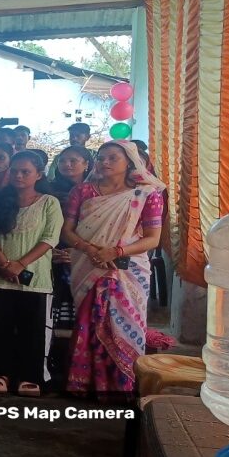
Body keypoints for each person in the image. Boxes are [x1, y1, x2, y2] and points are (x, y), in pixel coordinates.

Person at [61, 141, 165, 397]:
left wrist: (116, 252)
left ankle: (121, 385)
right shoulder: (82, 191)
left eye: (112, 158)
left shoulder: (147, 194)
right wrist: (90, 250)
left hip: (127, 270)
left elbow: (152, 239)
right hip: (88, 265)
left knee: (125, 324)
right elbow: (67, 231)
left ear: (129, 161)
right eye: (100, 157)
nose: (104, 162)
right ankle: (83, 384)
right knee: (87, 320)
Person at [0, 151, 62, 397]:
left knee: (32, 330)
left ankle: (30, 375)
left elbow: (50, 238)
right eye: (14, 171)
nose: (18, 175)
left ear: (39, 174)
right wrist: (4, 263)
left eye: (25, 171)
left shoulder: (49, 202)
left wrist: (20, 264)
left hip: (34, 278)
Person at [47, 146, 93, 333]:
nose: (67, 164)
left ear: (86, 164)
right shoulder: (47, 189)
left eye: (73, 160)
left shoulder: (96, 191)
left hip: (86, 248)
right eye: (62, 161)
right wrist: (50, 250)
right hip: (53, 247)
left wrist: (79, 250)